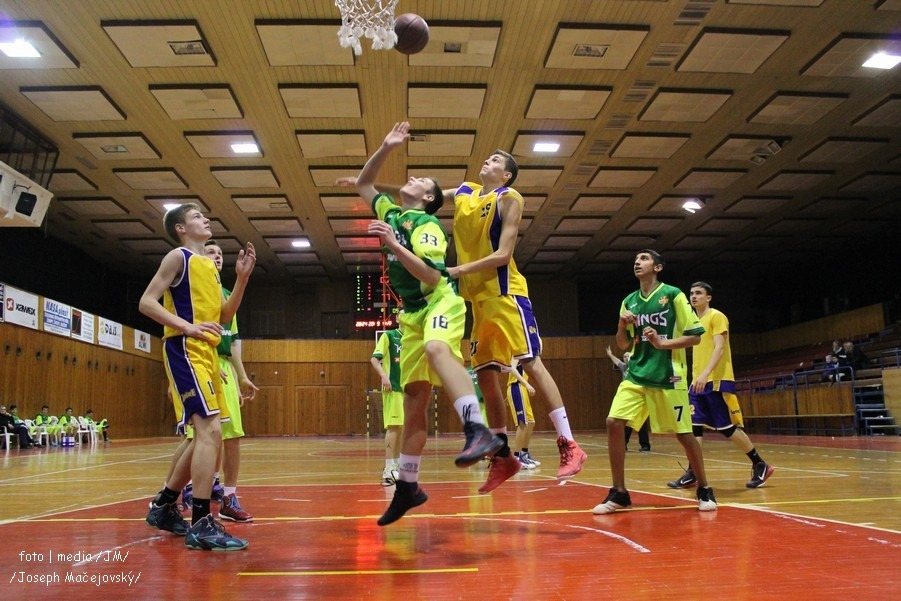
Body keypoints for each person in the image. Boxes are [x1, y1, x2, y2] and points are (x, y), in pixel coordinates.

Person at [355, 122, 507, 526]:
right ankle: (407, 486)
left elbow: (432, 276)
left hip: (440, 300)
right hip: (410, 314)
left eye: (422, 180)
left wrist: (392, 244)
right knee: (414, 401)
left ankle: (477, 429)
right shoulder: (392, 212)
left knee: (438, 349)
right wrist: (386, 147)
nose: (413, 177)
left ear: (428, 198)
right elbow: (364, 183)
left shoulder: (426, 227)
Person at [445, 150, 587, 486]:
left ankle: (569, 443)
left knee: (531, 362)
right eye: (489, 158)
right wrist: (377, 190)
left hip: (507, 294)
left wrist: (457, 270)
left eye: (496, 160)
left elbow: (503, 255)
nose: (488, 161)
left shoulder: (508, 197)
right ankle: (502, 456)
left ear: (506, 175)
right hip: (479, 301)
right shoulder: (466, 192)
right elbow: (430, 195)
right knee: (485, 375)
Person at [139, 202, 255, 551]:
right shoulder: (179, 257)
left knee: (206, 436)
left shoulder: (208, 267)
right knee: (210, 433)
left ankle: (164, 505)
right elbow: (147, 302)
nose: (205, 219)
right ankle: (202, 522)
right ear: (181, 228)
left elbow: (224, 315)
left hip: (207, 353)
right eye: (196, 217)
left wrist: (242, 279)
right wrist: (187, 326)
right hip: (185, 348)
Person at [592, 249, 716, 514]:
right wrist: (620, 325)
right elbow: (623, 343)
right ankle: (619, 492)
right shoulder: (629, 301)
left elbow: (695, 336)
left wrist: (662, 343)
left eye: (644, 259)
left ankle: (704, 488)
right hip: (637, 374)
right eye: (636, 259)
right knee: (613, 422)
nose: (637, 262)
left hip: (669, 375)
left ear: (658, 267)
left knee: (684, 435)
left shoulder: (673, 295)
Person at [666, 281, 775, 490]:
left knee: (727, 428)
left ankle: (760, 464)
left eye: (698, 293)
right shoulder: (693, 322)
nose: (693, 296)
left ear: (708, 298)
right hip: (697, 383)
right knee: (694, 427)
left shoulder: (716, 316)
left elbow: (719, 349)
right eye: (691, 293)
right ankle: (693, 472)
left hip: (715, 380)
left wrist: (705, 373)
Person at [204, 240, 260, 522]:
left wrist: (242, 377)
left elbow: (233, 341)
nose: (217, 257)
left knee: (233, 435)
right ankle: (185, 491)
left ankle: (229, 496)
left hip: (225, 366)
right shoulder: (193, 290)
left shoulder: (229, 295)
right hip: (202, 362)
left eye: (219, 254)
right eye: (210, 252)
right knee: (200, 437)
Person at [370, 326, 404, 486]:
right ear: (398, 318)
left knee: (401, 428)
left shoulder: (412, 337)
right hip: (393, 388)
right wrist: (384, 376)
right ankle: (389, 468)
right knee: (393, 426)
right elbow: (374, 359)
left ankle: (396, 466)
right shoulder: (389, 336)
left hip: (406, 389)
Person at [607, 346, 651, 452]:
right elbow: (616, 361)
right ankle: (623, 443)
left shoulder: (638, 368)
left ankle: (645, 445)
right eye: (624, 357)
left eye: (628, 356)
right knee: (626, 422)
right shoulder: (624, 368)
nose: (626, 358)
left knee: (642, 422)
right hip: (629, 397)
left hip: (639, 397)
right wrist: (610, 355)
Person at [506, 360, 541, 469]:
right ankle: (516, 458)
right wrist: (526, 384)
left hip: (521, 389)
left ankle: (524, 454)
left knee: (531, 422)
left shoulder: (526, 354)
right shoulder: (516, 353)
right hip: (516, 386)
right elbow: (511, 367)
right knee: (522, 423)